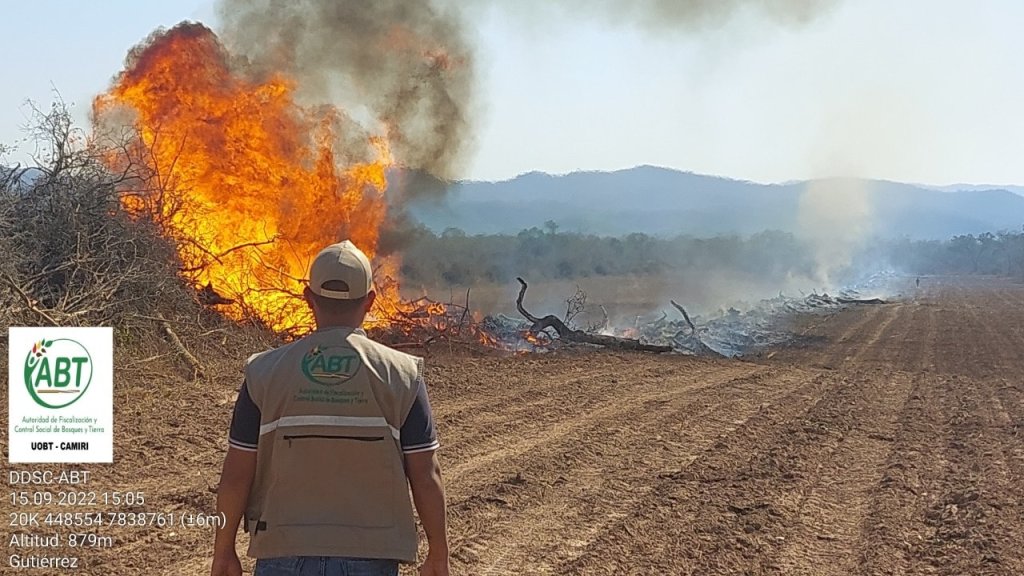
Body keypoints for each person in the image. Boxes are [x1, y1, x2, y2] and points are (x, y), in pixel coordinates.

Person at [211, 240, 449, 576]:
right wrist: (438, 554)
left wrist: (223, 553)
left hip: (283, 552)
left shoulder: (264, 372)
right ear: (369, 302)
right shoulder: (403, 374)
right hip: (371, 556)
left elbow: (236, 473)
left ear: (308, 299)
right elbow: (426, 474)